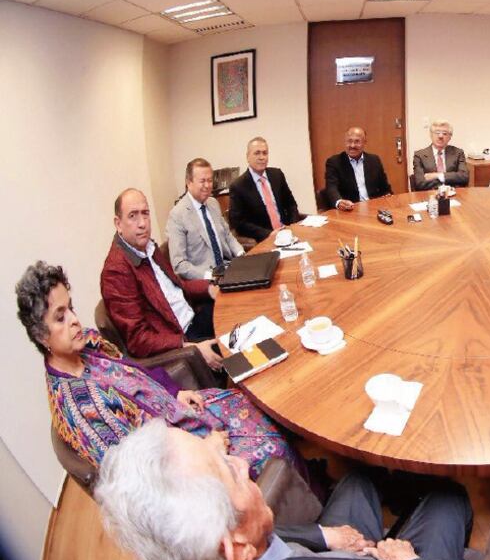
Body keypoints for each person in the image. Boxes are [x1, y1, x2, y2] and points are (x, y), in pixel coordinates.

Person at [16, 262, 302, 480]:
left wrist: (176, 392)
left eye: (72, 309)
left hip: (179, 414)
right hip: (183, 465)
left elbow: (136, 372)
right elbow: (140, 475)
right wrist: (207, 450)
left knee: (250, 398)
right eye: (60, 317)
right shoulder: (80, 407)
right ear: (42, 336)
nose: (75, 321)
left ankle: (303, 477)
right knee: (272, 447)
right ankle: (305, 516)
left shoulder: (89, 344)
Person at [96, 420, 474, 560]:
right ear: (237, 549)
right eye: (228, 470)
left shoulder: (223, 551)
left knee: (358, 477)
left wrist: (325, 537)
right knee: (450, 498)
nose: (242, 463)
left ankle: (401, 512)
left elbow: (272, 544)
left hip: (327, 554)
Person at [100, 188, 222, 368]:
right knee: (242, 343)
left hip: (193, 317)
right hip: (182, 339)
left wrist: (209, 288)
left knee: (240, 307)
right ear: (118, 224)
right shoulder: (116, 272)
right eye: (133, 216)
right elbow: (138, 340)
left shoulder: (148, 247)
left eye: (145, 213)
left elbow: (177, 287)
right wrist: (191, 347)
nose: (142, 223)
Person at [167, 157, 245, 280]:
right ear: (189, 182)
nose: (208, 185)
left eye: (210, 180)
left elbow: (227, 235)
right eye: (202, 181)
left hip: (228, 267)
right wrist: (210, 276)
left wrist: (241, 255)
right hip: (206, 277)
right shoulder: (177, 215)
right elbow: (179, 265)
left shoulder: (213, 203)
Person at [228, 137, 303, 242]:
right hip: (264, 239)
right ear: (248, 157)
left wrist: (292, 226)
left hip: (288, 234)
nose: (261, 157)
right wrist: (268, 234)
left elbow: (291, 204)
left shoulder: (277, 175)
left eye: (265, 153)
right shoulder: (238, 186)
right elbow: (238, 223)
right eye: (257, 153)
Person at [325, 127, 393, 211]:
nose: (352, 145)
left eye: (357, 141)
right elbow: (331, 187)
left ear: (364, 143)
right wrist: (339, 202)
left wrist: (387, 195)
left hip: (374, 207)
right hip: (350, 209)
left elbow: (385, 188)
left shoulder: (374, 160)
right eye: (349, 141)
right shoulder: (334, 162)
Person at [411, 121, 469, 191]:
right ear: (431, 135)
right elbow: (420, 183)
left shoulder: (458, 153)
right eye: (437, 133)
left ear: (450, 137)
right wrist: (449, 181)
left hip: (453, 194)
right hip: (430, 195)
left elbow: (464, 177)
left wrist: (438, 175)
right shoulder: (419, 155)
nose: (440, 136)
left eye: (444, 133)